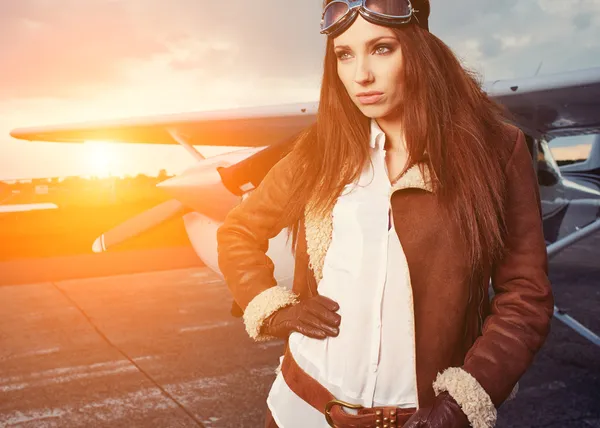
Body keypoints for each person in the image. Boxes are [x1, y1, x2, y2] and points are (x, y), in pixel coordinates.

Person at [216, 1, 554, 427]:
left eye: (381, 48)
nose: (361, 75)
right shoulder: (319, 151)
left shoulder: (496, 150)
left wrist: (461, 405)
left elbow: (525, 296)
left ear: (419, 49)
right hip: (299, 409)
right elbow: (238, 230)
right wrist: (271, 306)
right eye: (344, 54)